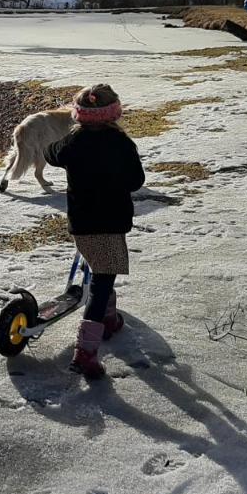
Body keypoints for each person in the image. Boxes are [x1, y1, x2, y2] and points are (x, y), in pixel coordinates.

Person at [44, 84, 146, 379]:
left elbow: (51, 153)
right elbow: (136, 180)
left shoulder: (73, 143)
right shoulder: (122, 143)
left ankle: (108, 318)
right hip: (111, 224)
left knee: (103, 269)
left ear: (80, 116)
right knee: (102, 279)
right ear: (114, 113)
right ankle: (86, 351)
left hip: (83, 224)